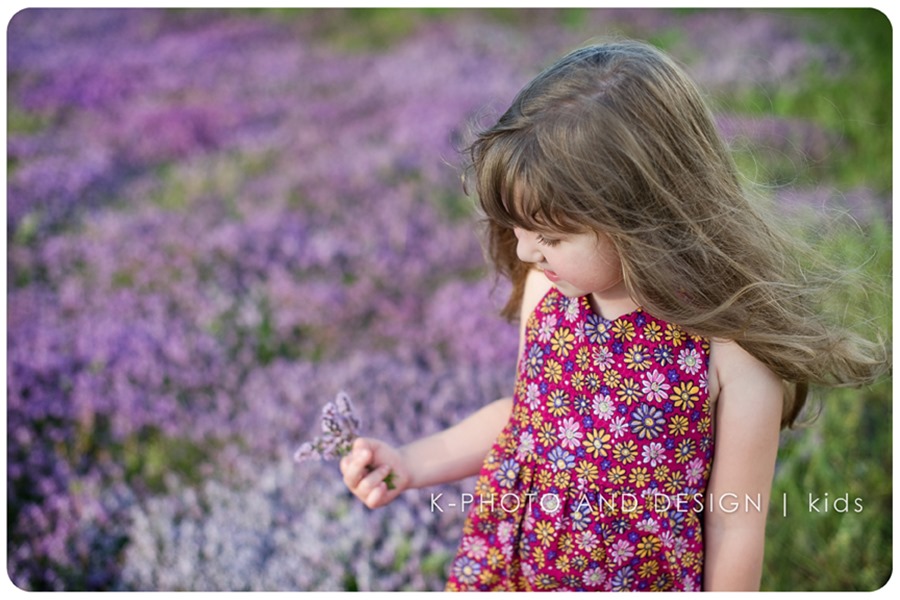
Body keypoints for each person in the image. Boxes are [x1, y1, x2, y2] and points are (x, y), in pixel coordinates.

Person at [339, 40, 887, 591]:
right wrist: (411, 462)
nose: (526, 253)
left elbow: (734, 522)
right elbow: (526, 422)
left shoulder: (729, 351)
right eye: (518, 230)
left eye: (550, 235)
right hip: (518, 573)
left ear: (641, 222)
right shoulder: (546, 294)